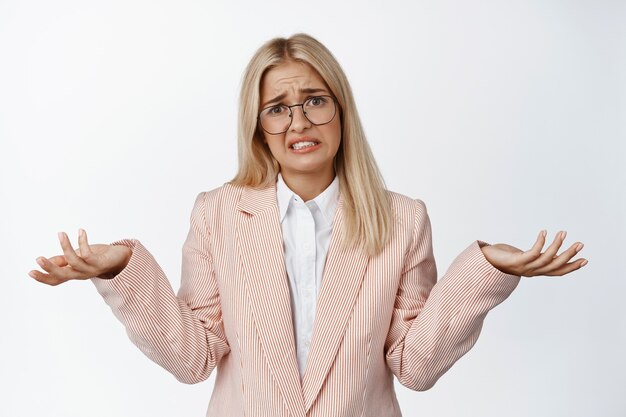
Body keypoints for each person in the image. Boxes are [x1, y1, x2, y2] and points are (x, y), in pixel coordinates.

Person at [28, 33, 587, 417]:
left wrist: (484, 274)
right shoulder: (218, 213)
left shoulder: (401, 219)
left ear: (342, 111)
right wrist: (123, 271)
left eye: (315, 100)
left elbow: (415, 366)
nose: (299, 121)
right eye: (278, 107)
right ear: (258, 125)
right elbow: (192, 357)